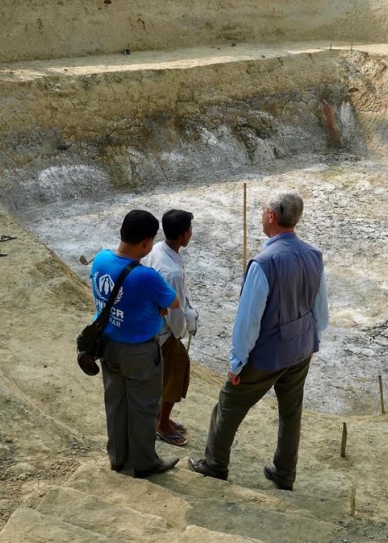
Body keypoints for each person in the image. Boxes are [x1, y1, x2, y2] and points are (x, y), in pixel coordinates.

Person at [189, 190, 329, 491]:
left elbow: (248, 322)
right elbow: (321, 309)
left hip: (268, 354)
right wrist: (312, 340)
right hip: (301, 348)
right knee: (291, 412)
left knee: (228, 404)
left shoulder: (264, 263)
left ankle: (215, 464)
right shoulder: (314, 255)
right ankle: (284, 472)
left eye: (263, 211)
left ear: (271, 217)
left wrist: (237, 362)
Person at [90, 209, 182, 478]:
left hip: (107, 344)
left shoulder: (100, 260)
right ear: (145, 242)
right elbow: (173, 302)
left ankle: (118, 458)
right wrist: (156, 308)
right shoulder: (145, 276)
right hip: (139, 351)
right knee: (143, 408)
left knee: (115, 403)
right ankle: (143, 462)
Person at [140, 209, 199, 447]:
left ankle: (160, 417)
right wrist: (181, 332)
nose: (191, 234)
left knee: (163, 376)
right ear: (185, 234)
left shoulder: (156, 250)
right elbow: (175, 311)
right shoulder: (172, 272)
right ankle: (162, 424)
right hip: (166, 332)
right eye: (190, 230)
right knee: (174, 377)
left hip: (155, 325)